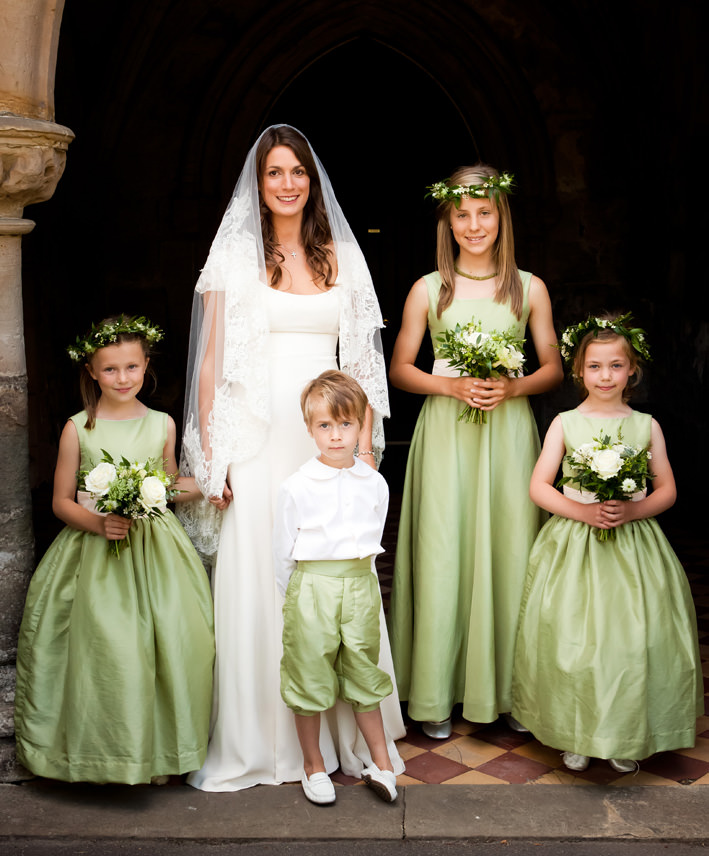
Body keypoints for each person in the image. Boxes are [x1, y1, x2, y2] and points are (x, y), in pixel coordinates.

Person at [179, 124, 404, 791]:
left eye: (296, 172)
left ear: (311, 181)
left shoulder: (341, 256)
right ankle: (267, 740)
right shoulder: (231, 260)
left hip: (327, 435)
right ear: (258, 184)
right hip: (254, 436)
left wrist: (361, 447)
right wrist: (212, 458)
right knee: (263, 577)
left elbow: (361, 358)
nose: (286, 183)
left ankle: (348, 736)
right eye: (274, 173)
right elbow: (210, 365)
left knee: (337, 579)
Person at [387, 165, 563, 738]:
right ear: (447, 221)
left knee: (510, 550)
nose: (473, 224)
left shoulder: (528, 288)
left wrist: (512, 387)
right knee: (443, 552)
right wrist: (451, 384)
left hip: (509, 435)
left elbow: (555, 368)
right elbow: (400, 369)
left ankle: (509, 693)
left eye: (484, 212)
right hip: (446, 435)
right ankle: (435, 693)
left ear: (501, 217)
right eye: (461, 215)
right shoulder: (428, 288)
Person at [14, 315, 215, 784]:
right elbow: (61, 502)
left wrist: (206, 485)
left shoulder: (162, 424)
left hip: (158, 553)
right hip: (94, 552)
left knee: (170, 644)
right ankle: (100, 755)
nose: (122, 379)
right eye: (110, 370)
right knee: (108, 653)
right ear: (90, 370)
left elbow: (165, 484)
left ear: (146, 365)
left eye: (131, 367)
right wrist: (100, 522)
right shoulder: (78, 429)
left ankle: (161, 754)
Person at [511, 313, 703, 773]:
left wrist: (631, 510)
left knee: (632, 642)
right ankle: (574, 731)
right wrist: (584, 512)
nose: (605, 376)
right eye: (595, 366)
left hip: (633, 546)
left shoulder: (646, 426)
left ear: (631, 370)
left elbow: (667, 490)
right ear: (579, 371)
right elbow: (539, 486)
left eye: (616, 366)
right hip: (574, 545)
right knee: (570, 639)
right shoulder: (564, 423)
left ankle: (624, 732)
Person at [275, 371, 399, 805]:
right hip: (312, 586)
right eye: (325, 425)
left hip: (359, 585)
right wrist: (295, 600)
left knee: (364, 669)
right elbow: (283, 553)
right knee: (308, 672)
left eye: (346, 424)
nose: (335, 435)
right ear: (310, 428)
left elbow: (373, 537)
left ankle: (382, 764)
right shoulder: (296, 486)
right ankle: (312, 765)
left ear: (361, 426)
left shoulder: (375, 484)